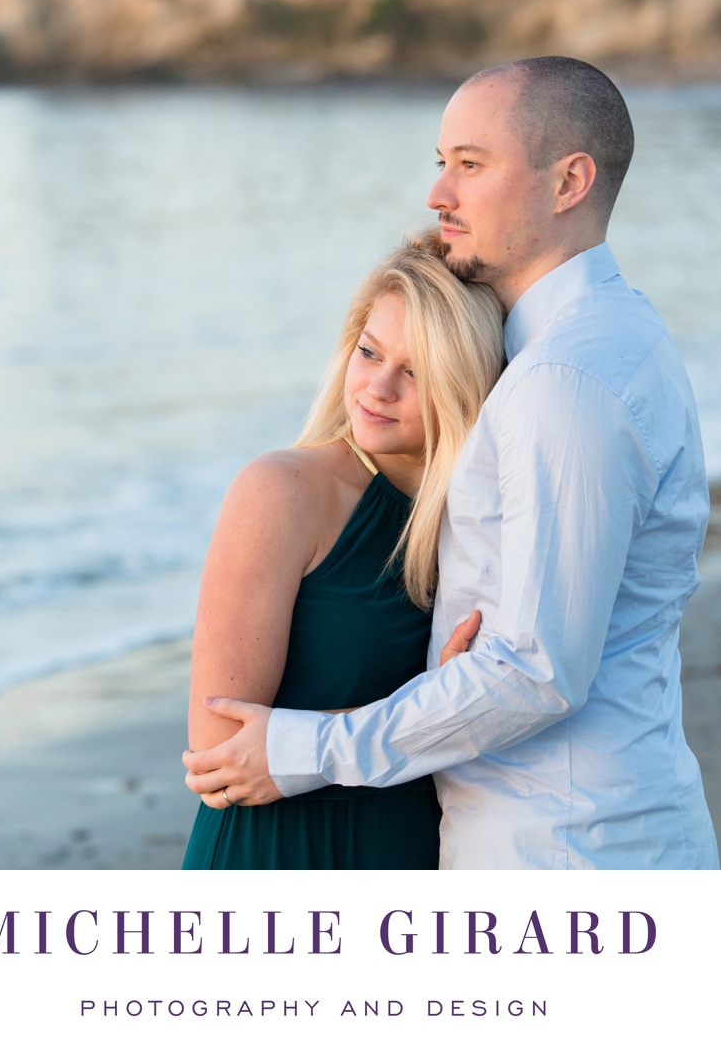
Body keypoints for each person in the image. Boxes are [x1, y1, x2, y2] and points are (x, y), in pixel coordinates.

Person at [182, 57, 719, 872]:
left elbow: (537, 671)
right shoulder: (612, 339)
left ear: (569, 182)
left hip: (565, 853)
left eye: (470, 165)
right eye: (442, 164)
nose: (439, 195)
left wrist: (309, 745)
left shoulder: (561, 380)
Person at [180, 231, 505, 868]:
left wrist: (446, 711)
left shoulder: (484, 519)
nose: (378, 388)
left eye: (416, 372)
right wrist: (441, 706)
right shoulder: (282, 492)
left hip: (416, 850)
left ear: (465, 384)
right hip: (280, 855)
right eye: (369, 352)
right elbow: (216, 754)